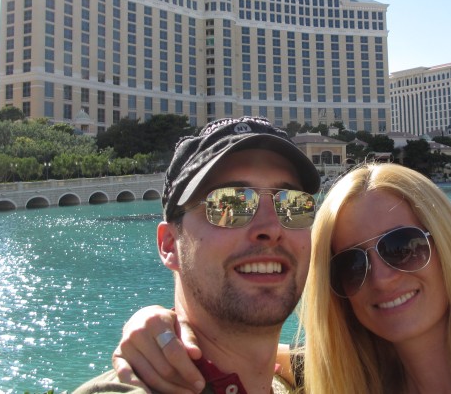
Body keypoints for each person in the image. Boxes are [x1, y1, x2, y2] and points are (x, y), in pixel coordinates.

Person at [112, 162, 451, 393]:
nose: (382, 278)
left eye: (403, 247)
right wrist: (165, 327)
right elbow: (253, 359)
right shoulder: (340, 383)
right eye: (350, 266)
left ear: (450, 248)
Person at [73, 116, 321, 394]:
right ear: (169, 245)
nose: (272, 228)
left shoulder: (307, 382)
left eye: (293, 205)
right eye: (229, 204)